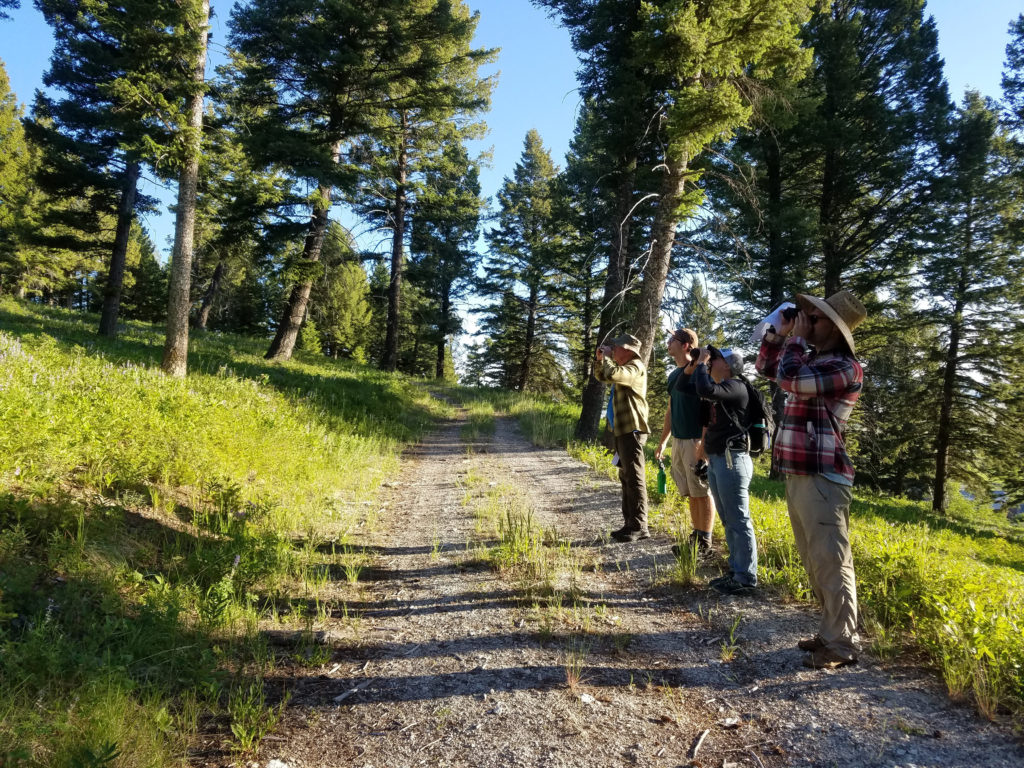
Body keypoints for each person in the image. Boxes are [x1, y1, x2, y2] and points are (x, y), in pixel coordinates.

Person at [755, 290, 866, 669]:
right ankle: (829, 632)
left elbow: (791, 379)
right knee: (814, 559)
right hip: (801, 471)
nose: (806, 321)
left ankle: (843, 643)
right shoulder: (811, 357)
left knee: (832, 559)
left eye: (814, 319)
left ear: (834, 329)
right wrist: (776, 338)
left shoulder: (844, 367)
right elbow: (768, 369)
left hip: (823, 474)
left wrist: (796, 341)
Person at [688, 345, 757, 596]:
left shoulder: (736, 386)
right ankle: (736, 571)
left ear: (727, 365)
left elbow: (704, 387)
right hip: (720, 459)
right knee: (729, 519)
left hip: (733, 459)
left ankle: (746, 576)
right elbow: (699, 393)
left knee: (739, 519)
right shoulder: (724, 389)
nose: (710, 362)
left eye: (714, 359)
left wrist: (700, 364)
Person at [654, 328, 715, 555]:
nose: (668, 343)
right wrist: (663, 441)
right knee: (690, 491)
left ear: (686, 345)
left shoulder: (701, 373)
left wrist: (703, 444)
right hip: (679, 441)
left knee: (703, 490)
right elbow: (670, 409)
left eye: (672, 340)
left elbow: (708, 409)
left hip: (695, 440)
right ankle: (696, 537)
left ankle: (705, 542)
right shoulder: (673, 375)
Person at [595, 334, 650, 542]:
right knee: (626, 475)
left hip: (632, 429)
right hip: (622, 429)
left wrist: (607, 358)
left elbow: (615, 374)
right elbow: (603, 375)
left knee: (634, 476)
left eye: (616, 347)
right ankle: (629, 523)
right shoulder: (625, 365)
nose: (613, 350)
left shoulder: (635, 366)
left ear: (627, 350)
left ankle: (639, 525)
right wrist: (601, 359)